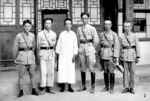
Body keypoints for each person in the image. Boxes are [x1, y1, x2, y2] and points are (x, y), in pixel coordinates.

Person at [13, 20, 39, 97]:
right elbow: (15, 47)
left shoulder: (33, 35)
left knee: (32, 75)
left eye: (29, 26)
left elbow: (34, 46)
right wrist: (15, 59)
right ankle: (21, 91)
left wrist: (32, 54)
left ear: (30, 27)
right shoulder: (19, 36)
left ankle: (33, 90)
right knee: (21, 76)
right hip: (21, 58)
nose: (27, 28)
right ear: (23, 27)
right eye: (26, 26)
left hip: (31, 58)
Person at [77, 12, 99, 94]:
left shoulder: (92, 28)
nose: (84, 19)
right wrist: (80, 47)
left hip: (90, 48)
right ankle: (83, 85)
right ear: (81, 19)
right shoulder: (79, 29)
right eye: (83, 18)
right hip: (82, 48)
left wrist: (92, 47)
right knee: (82, 67)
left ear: (88, 19)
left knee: (91, 67)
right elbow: (77, 39)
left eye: (86, 18)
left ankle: (93, 86)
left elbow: (96, 40)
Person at [55, 18, 78, 92]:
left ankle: (70, 87)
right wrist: (57, 56)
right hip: (63, 55)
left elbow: (75, 45)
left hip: (71, 55)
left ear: (71, 25)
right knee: (63, 70)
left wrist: (74, 55)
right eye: (66, 24)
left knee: (70, 70)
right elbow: (58, 45)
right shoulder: (62, 34)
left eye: (69, 24)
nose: (68, 25)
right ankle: (63, 87)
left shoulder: (73, 34)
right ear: (64, 25)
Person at [119, 21, 140, 94]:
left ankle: (131, 87)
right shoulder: (121, 36)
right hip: (124, 56)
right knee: (125, 73)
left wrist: (138, 56)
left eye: (128, 26)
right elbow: (119, 47)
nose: (126, 28)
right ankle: (126, 87)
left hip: (132, 56)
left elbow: (137, 46)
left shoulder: (134, 36)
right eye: (125, 26)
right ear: (123, 27)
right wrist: (119, 57)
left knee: (132, 72)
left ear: (131, 27)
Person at [99, 19, 119, 94]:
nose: (107, 25)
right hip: (103, 54)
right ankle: (106, 86)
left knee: (111, 71)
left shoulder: (114, 34)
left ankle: (112, 87)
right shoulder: (101, 34)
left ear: (111, 25)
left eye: (108, 24)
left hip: (111, 55)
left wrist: (115, 56)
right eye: (105, 24)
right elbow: (100, 45)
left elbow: (117, 46)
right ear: (104, 25)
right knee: (105, 71)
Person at [37, 17, 56, 95]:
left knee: (51, 71)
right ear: (44, 24)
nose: (48, 25)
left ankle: (49, 87)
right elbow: (38, 45)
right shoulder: (40, 34)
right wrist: (40, 53)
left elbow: (54, 44)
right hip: (43, 53)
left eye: (49, 23)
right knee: (43, 71)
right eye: (46, 23)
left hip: (51, 53)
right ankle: (43, 87)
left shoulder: (54, 34)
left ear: (51, 24)